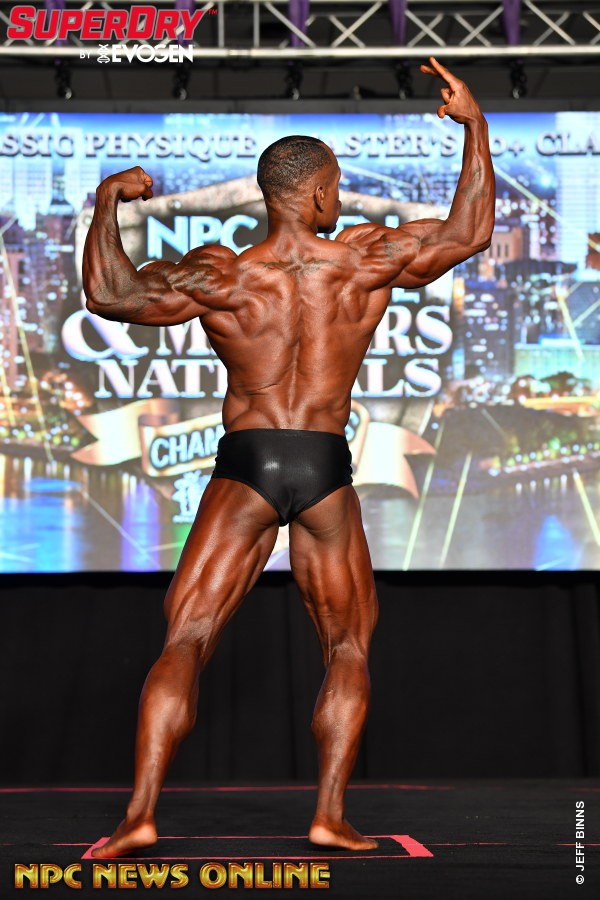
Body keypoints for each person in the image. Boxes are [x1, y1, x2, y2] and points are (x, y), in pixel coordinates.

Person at [82, 57, 495, 857]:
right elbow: (469, 231)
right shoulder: (365, 260)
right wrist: (474, 126)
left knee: (187, 638)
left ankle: (138, 815)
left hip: (248, 460)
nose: (339, 198)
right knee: (347, 646)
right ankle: (329, 814)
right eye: (335, 187)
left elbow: (112, 295)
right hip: (323, 464)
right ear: (318, 193)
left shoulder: (224, 272)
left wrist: (106, 203)